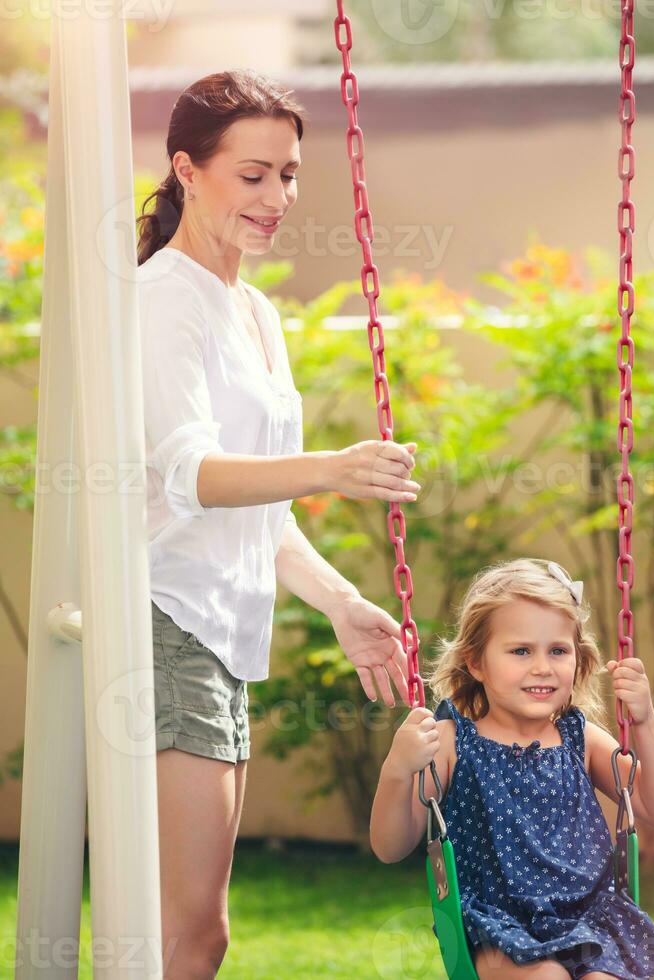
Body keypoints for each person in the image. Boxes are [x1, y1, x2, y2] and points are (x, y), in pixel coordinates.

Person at [136, 69, 421, 979]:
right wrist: (336, 468)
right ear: (188, 169)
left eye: (289, 175)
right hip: (164, 618)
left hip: (221, 633)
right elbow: (192, 474)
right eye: (252, 175)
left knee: (188, 929)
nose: (277, 197)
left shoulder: (256, 312)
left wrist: (341, 603)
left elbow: (261, 504)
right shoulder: (159, 301)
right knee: (192, 929)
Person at [370, 558, 654, 979]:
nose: (542, 667)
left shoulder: (581, 738)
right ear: (476, 662)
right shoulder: (449, 741)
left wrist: (645, 721)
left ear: (578, 658)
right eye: (521, 651)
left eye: (558, 650)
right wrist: (397, 770)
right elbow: (389, 847)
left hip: (589, 919)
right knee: (546, 976)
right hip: (500, 926)